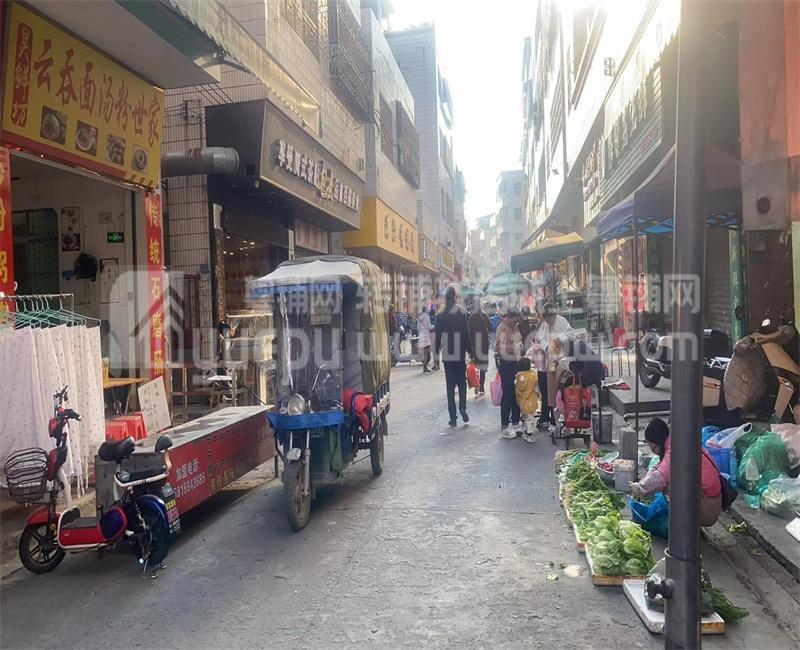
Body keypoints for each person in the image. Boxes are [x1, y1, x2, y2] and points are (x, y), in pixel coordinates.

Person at [631, 418, 723, 527]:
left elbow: (659, 477)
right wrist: (645, 481)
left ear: (658, 441)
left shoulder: (675, 450)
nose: (653, 452)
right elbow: (659, 467)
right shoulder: (675, 442)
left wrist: (640, 488)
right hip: (708, 498)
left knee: (668, 485)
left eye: (653, 448)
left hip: (710, 507)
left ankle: (684, 529)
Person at [435, 287, 473, 426]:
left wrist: (435, 353)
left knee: (450, 386)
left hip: (448, 354)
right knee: (462, 382)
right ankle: (462, 406)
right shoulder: (461, 312)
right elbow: (466, 333)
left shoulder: (441, 314)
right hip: (459, 352)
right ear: (455, 297)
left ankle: (453, 417)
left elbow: (438, 335)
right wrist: (470, 350)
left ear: (446, 298)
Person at [533, 303, 571, 432]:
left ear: (553, 316)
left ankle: (563, 421)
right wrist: (547, 347)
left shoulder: (562, 322)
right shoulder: (544, 324)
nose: (548, 322)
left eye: (549, 319)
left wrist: (558, 343)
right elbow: (541, 339)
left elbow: (570, 337)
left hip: (562, 362)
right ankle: (553, 421)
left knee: (561, 393)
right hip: (550, 362)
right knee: (550, 393)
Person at [495, 306, 524, 439]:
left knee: (516, 392)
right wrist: (514, 348)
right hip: (506, 365)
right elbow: (500, 348)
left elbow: (520, 339)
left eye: (517, 321)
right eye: (515, 321)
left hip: (515, 364)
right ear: (509, 318)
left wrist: (520, 346)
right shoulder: (502, 328)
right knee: (507, 393)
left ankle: (516, 421)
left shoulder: (515, 327)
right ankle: (505, 424)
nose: (516, 323)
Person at [467, 299, 492, 395]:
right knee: (483, 366)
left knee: (476, 364)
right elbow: (490, 328)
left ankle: (476, 384)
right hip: (484, 344)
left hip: (474, 344)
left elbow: (468, 331)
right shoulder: (484, 315)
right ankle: (481, 385)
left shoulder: (471, 317)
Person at [515, 357, 539, 443]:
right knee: (530, 419)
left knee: (525, 417)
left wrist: (518, 400)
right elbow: (536, 380)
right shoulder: (532, 376)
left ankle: (525, 432)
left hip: (522, 401)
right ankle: (529, 435)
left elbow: (517, 391)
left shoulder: (518, 377)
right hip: (530, 401)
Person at [417, 305, 433, 372]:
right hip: (426, 336)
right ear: (426, 310)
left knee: (425, 352)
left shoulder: (419, 317)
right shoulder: (427, 316)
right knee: (427, 352)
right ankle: (425, 367)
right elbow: (429, 327)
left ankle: (425, 367)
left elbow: (418, 328)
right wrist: (434, 326)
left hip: (421, 335)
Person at [429, 306, 440, 371]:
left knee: (434, 351)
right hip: (437, 334)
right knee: (436, 350)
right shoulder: (437, 317)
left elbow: (430, 327)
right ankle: (437, 365)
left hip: (432, 335)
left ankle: (436, 365)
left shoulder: (430, 319)